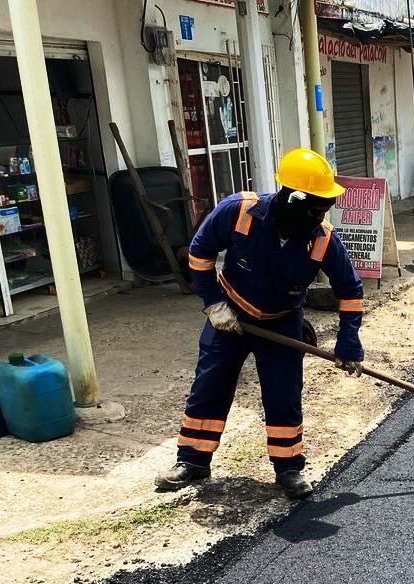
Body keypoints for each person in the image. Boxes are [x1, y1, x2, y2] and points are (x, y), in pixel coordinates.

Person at [154, 149, 364, 499]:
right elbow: (199, 253)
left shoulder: (323, 238)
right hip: (230, 317)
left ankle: (288, 467)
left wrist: (349, 342)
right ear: (291, 198)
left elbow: (350, 289)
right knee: (211, 385)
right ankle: (192, 461)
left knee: (283, 394)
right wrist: (214, 305)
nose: (319, 217)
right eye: (314, 208)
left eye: (324, 209)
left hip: (282, 323)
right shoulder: (238, 211)